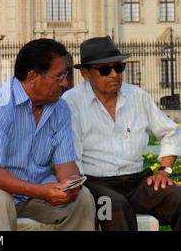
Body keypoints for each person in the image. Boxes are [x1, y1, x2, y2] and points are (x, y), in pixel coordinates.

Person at [0, 38, 96, 231]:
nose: (64, 83)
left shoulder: (60, 108)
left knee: (82, 198)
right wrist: (41, 191)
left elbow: (65, 164)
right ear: (33, 77)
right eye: (59, 76)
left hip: (34, 189)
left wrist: (70, 184)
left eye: (66, 74)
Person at [62, 36, 181, 231]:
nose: (114, 74)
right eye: (105, 69)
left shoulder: (137, 95)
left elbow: (171, 132)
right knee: (113, 206)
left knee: (178, 198)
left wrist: (164, 171)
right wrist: (82, 198)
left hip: (138, 183)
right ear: (85, 74)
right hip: (96, 186)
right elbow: (72, 158)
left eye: (118, 67)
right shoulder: (71, 102)